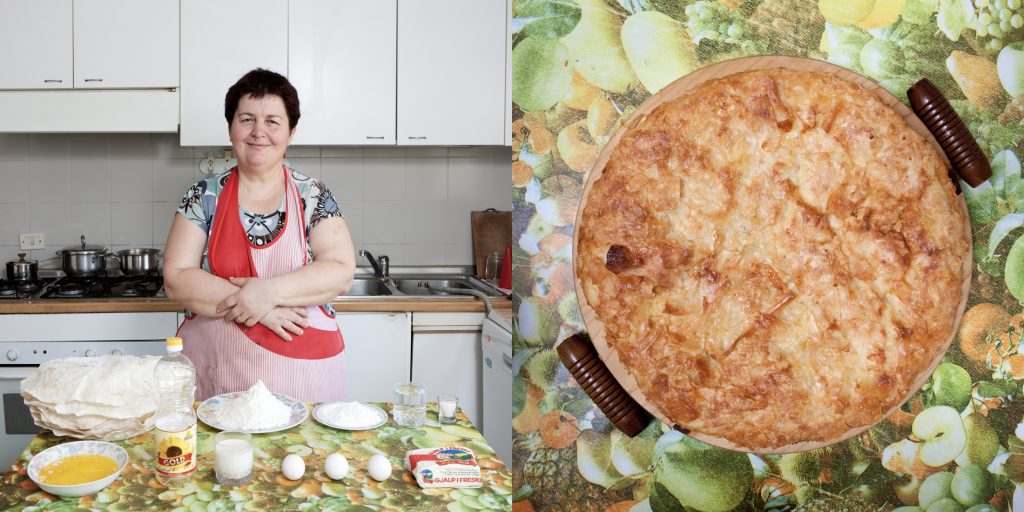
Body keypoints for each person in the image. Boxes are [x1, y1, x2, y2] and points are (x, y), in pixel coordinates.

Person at [163, 68, 355, 402]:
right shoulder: (203, 195)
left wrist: (268, 292)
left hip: (303, 379)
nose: (258, 132)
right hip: (219, 377)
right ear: (230, 127)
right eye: (247, 119)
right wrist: (259, 309)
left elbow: (339, 269)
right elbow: (176, 277)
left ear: (291, 132)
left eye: (272, 121)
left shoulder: (313, 194)